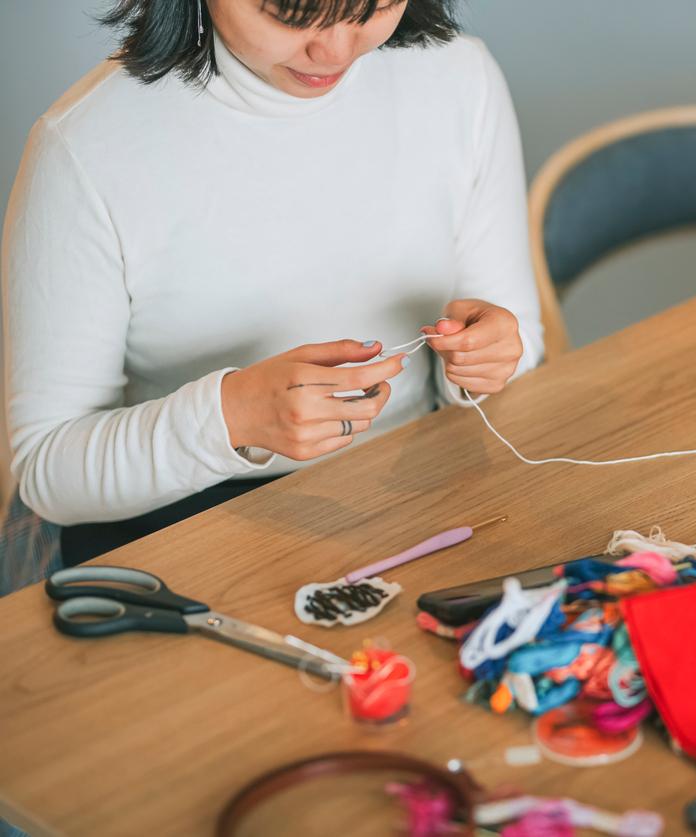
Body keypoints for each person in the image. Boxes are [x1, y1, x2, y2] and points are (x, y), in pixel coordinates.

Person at [0, 0, 543, 593]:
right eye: (290, 14)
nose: (334, 50)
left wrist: (483, 362)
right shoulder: (84, 148)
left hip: (417, 497)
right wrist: (232, 418)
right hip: (185, 535)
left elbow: (515, 339)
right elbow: (48, 471)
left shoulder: (458, 77)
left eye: (375, 6)